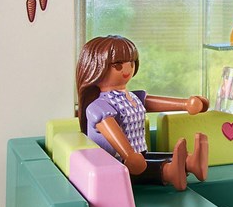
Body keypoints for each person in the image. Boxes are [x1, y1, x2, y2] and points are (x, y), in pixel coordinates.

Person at [76, 35, 209, 192]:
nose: (127, 69)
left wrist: (186, 104)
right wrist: (128, 154)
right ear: (96, 68)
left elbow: (150, 102)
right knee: (152, 166)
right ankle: (168, 172)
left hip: (139, 154)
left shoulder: (131, 97)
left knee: (162, 158)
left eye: (131, 62)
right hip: (115, 162)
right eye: (118, 65)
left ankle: (190, 163)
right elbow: (111, 130)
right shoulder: (98, 106)